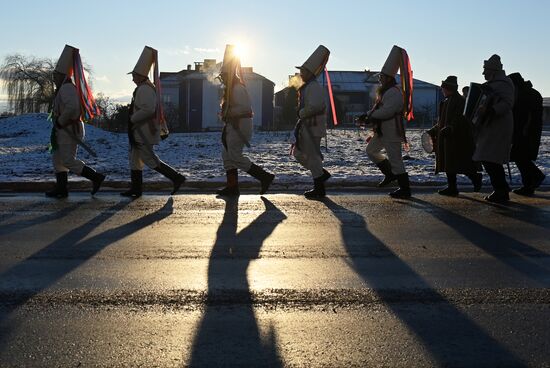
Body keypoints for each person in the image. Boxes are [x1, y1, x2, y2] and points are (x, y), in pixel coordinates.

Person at [121, 46, 186, 198]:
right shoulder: (145, 88)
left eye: (134, 75)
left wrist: (132, 119)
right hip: (139, 130)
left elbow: (148, 110)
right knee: (134, 159)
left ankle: (176, 177)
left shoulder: (145, 89)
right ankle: (136, 189)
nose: (132, 78)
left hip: (143, 130)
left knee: (149, 159)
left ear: (140, 75)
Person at [46, 44, 105, 198]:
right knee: (58, 159)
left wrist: (60, 121)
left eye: (56, 75)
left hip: (69, 129)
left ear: (63, 76)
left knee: (67, 160)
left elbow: (72, 108)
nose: (54, 78)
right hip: (63, 130)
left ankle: (96, 177)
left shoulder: (67, 88)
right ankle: (61, 189)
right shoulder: (64, 88)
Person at [216, 44, 275, 196]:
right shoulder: (231, 89)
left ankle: (264, 177)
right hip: (233, 126)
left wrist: (228, 112)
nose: (222, 78)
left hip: (240, 126)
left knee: (234, 156)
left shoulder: (237, 88)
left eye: (223, 75)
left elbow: (245, 109)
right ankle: (232, 187)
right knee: (227, 155)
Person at [363, 45, 413, 198]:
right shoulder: (386, 91)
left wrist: (371, 116)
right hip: (383, 130)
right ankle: (390, 174)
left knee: (396, 160)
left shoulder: (394, 92)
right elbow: (378, 109)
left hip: (391, 130)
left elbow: (387, 111)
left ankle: (405, 189)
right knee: (371, 151)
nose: (379, 79)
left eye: (381, 77)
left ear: (388, 78)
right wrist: (366, 115)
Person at [428, 76, 482, 196]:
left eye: (444, 88)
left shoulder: (460, 101)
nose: (442, 90)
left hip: (459, 139)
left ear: (449, 88)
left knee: (462, 163)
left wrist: (450, 128)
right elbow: (442, 121)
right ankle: (452, 187)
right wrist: (433, 130)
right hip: (448, 138)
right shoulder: (446, 101)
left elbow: (459, 119)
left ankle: (475, 178)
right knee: (449, 165)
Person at [472, 54, 515, 202]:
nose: (483, 73)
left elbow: (508, 103)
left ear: (493, 70)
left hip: (499, 126)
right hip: (489, 126)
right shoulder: (492, 84)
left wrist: (491, 110)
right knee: (488, 158)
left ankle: (501, 191)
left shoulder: (504, 83)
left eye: (485, 70)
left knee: (491, 159)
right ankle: (501, 189)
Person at [292, 45, 331, 199]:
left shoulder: (313, 87)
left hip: (313, 127)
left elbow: (315, 106)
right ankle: (320, 175)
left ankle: (319, 188)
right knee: (299, 154)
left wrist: (301, 113)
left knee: (312, 157)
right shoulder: (309, 86)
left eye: (303, 71)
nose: (300, 74)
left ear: (308, 73)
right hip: (308, 127)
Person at [508, 72, 546, 196]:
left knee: (521, 157)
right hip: (525, 130)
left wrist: (524, 129)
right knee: (521, 157)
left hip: (525, 131)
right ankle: (528, 185)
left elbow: (526, 115)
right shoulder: (528, 92)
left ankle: (535, 177)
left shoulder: (526, 94)